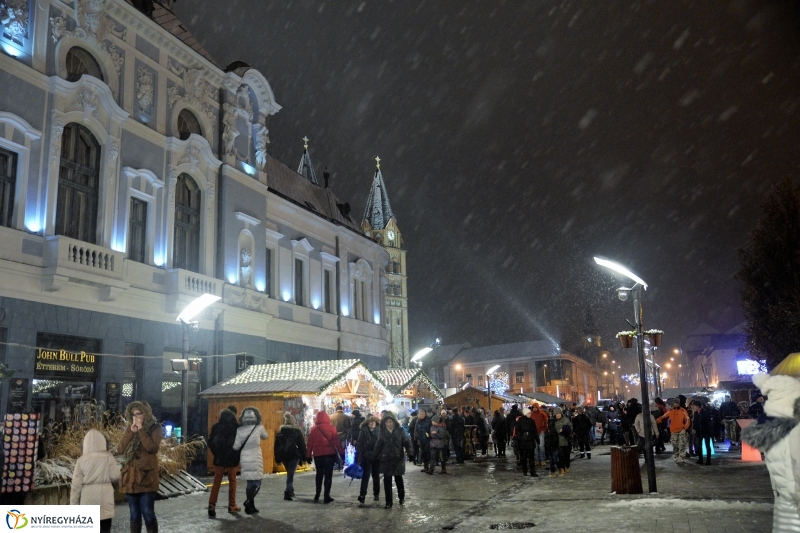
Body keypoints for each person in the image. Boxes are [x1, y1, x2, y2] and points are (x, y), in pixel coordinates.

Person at [118, 401, 162, 533]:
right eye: (133, 414)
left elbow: (152, 448)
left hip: (146, 477)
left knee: (148, 512)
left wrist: (141, 430)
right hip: (131, 477)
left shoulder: (155, 427)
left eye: (139, 413)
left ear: (146, 414)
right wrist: (131, 432)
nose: (136, 417)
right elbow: (120, 449)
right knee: (134, 514)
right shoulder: (131, 427)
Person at [71, 429, 120, 533]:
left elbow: (75, 486)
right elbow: (115, 476)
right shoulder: (108, 457)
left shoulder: (81, 461)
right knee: (105, 528)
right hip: (105, 499)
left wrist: (74, 506)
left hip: (87, 499)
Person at [373, 412, 413, 509]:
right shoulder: (382, 432)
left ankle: (401, 497)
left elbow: (407, 442)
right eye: (387, 422)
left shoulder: (400, 431)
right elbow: (378, 445)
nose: (389, 424)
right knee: (387, 482)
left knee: (398, 479)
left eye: (390, 422)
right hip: (385, 460)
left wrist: (410, 452)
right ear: (385, 423)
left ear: (394, 422)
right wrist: (375, 456)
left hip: (397, 459)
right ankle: (388, 502)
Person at [233, 406, 268, 514]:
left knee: (249, 482)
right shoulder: (259, 428)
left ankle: (250, 507)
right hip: (256, 457)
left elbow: (236, 446)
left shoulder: (239, 430)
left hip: (245, 457)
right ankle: (248, 501)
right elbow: (265, 437)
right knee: (257, 482)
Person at [206, 408, 240, 516]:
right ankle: (232, 505)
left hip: (219, 458)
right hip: (232, 458)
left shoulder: (216, 426)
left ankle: (212, 504)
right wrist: (236, 454)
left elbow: (211, 442)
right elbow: (240, 443)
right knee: (232, 481)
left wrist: (216, 453)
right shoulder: (236, 427)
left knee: (217, 481)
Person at [306, 409, 344, 504]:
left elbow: (310, 443)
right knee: (328, 475)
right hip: (329, 455)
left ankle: (317, 494)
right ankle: (326, 495)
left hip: (318, 455)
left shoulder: (313, 429)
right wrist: (342, 453)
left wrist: (308, 455)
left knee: (319, 474)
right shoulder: (332, 428)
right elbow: (336, 442)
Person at [274, 412, 307, 501]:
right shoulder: (297, 432)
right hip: (294, 455)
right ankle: (287, 492)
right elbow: (302, 445)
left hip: (284, 456)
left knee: (290, 473)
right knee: (290, 474)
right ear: (293, 422)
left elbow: (276, 447)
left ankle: (291, 490)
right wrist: (304, 457)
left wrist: (277, 458)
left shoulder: (280, 433)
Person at [355, 415, 381, 504]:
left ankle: (376, 493)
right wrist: (358, 456)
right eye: (370, 422)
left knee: (376, 476)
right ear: (367, 423)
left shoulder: (379, 431)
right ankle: (362, 495)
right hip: (366, 457)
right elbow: (359, 444)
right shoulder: (363, 431)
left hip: (376, 457)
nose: (372, 423)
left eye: (374, 422)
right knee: (365, 476)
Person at [514, 408, 539, 477]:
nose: (530, 414)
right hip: (523, 442)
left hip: (530, 441)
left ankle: (532, 472)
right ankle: (525, 470)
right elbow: (517, 430)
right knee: (523, 457)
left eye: (530, 413)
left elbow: (535, 430)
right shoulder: (520, 421)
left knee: (531, 458)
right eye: (528, 413)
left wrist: (537, 439)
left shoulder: (531, 421)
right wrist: (520, 438)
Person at [329, 405, 351, 470]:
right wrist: (349, 438)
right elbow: (349, 428)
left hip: (333, 436)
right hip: (343, 436)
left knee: (334, 449)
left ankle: (335, 463)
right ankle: (341, 463)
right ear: (342, 409)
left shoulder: (331, 416)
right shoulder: (346, 417)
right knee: (342, 449)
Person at [552, 407, 571, 476]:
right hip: (557, 441)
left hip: (565, 440)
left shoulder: (566, 420)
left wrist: (565, 430)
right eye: (556, 413)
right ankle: (562, 468)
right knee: (560, 456)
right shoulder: (553, 421)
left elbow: (571, 428)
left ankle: (567, 466)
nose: (558, 415)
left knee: (566, 455)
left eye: (559, 413)